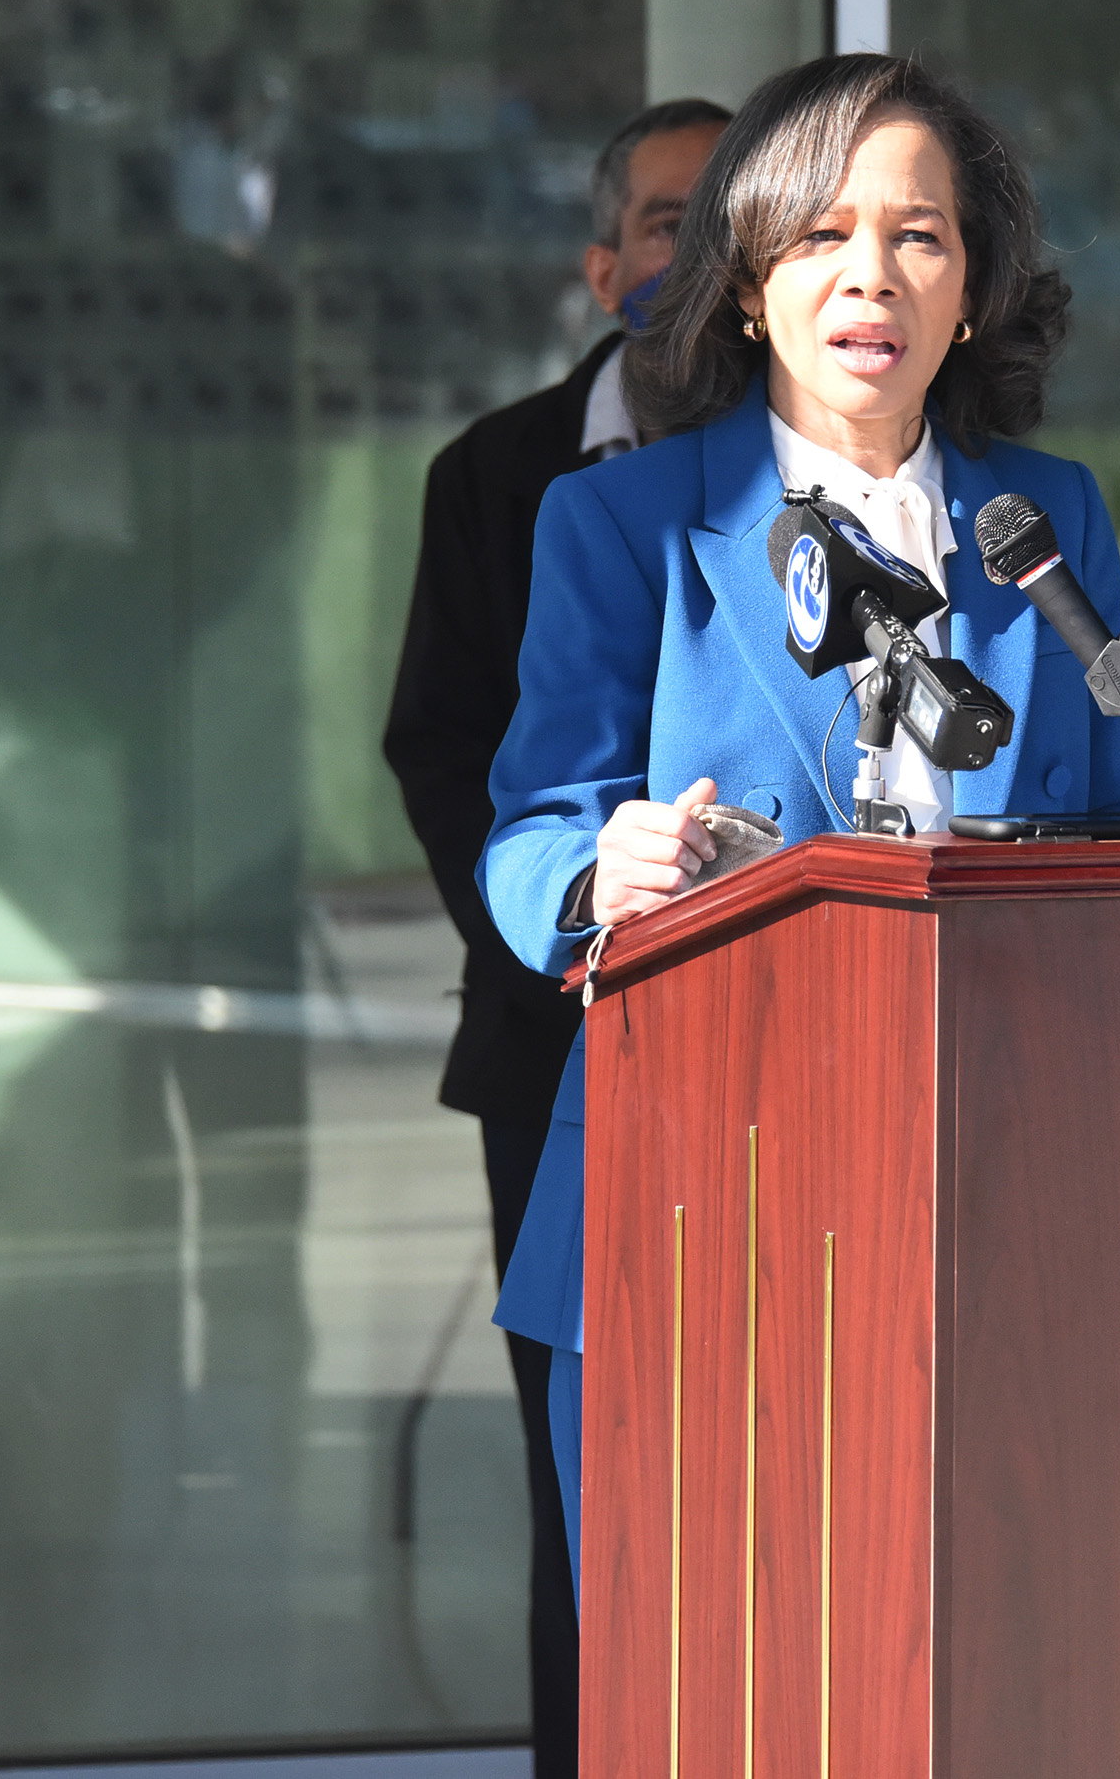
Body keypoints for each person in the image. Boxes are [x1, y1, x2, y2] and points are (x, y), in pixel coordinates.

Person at [474, 53, 1120, 1571]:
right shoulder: (621, 524)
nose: (873, 276)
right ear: (741, 284)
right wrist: (604, 868)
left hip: (1007, 1193)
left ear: (973, 288)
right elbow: (529, 829)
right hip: (696, 1206)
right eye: (820, 236)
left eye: (920, 234)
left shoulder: (1045, 522)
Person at [382, 95, 726, 1772]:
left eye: (741, 210)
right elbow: (441, 748)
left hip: (796, 1051)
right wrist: (566, 932)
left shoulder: (855, 481)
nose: (704, 245)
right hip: (559, 1046)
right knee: (589, 1479)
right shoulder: (499, 477)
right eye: (671, 218)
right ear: (607, 268)